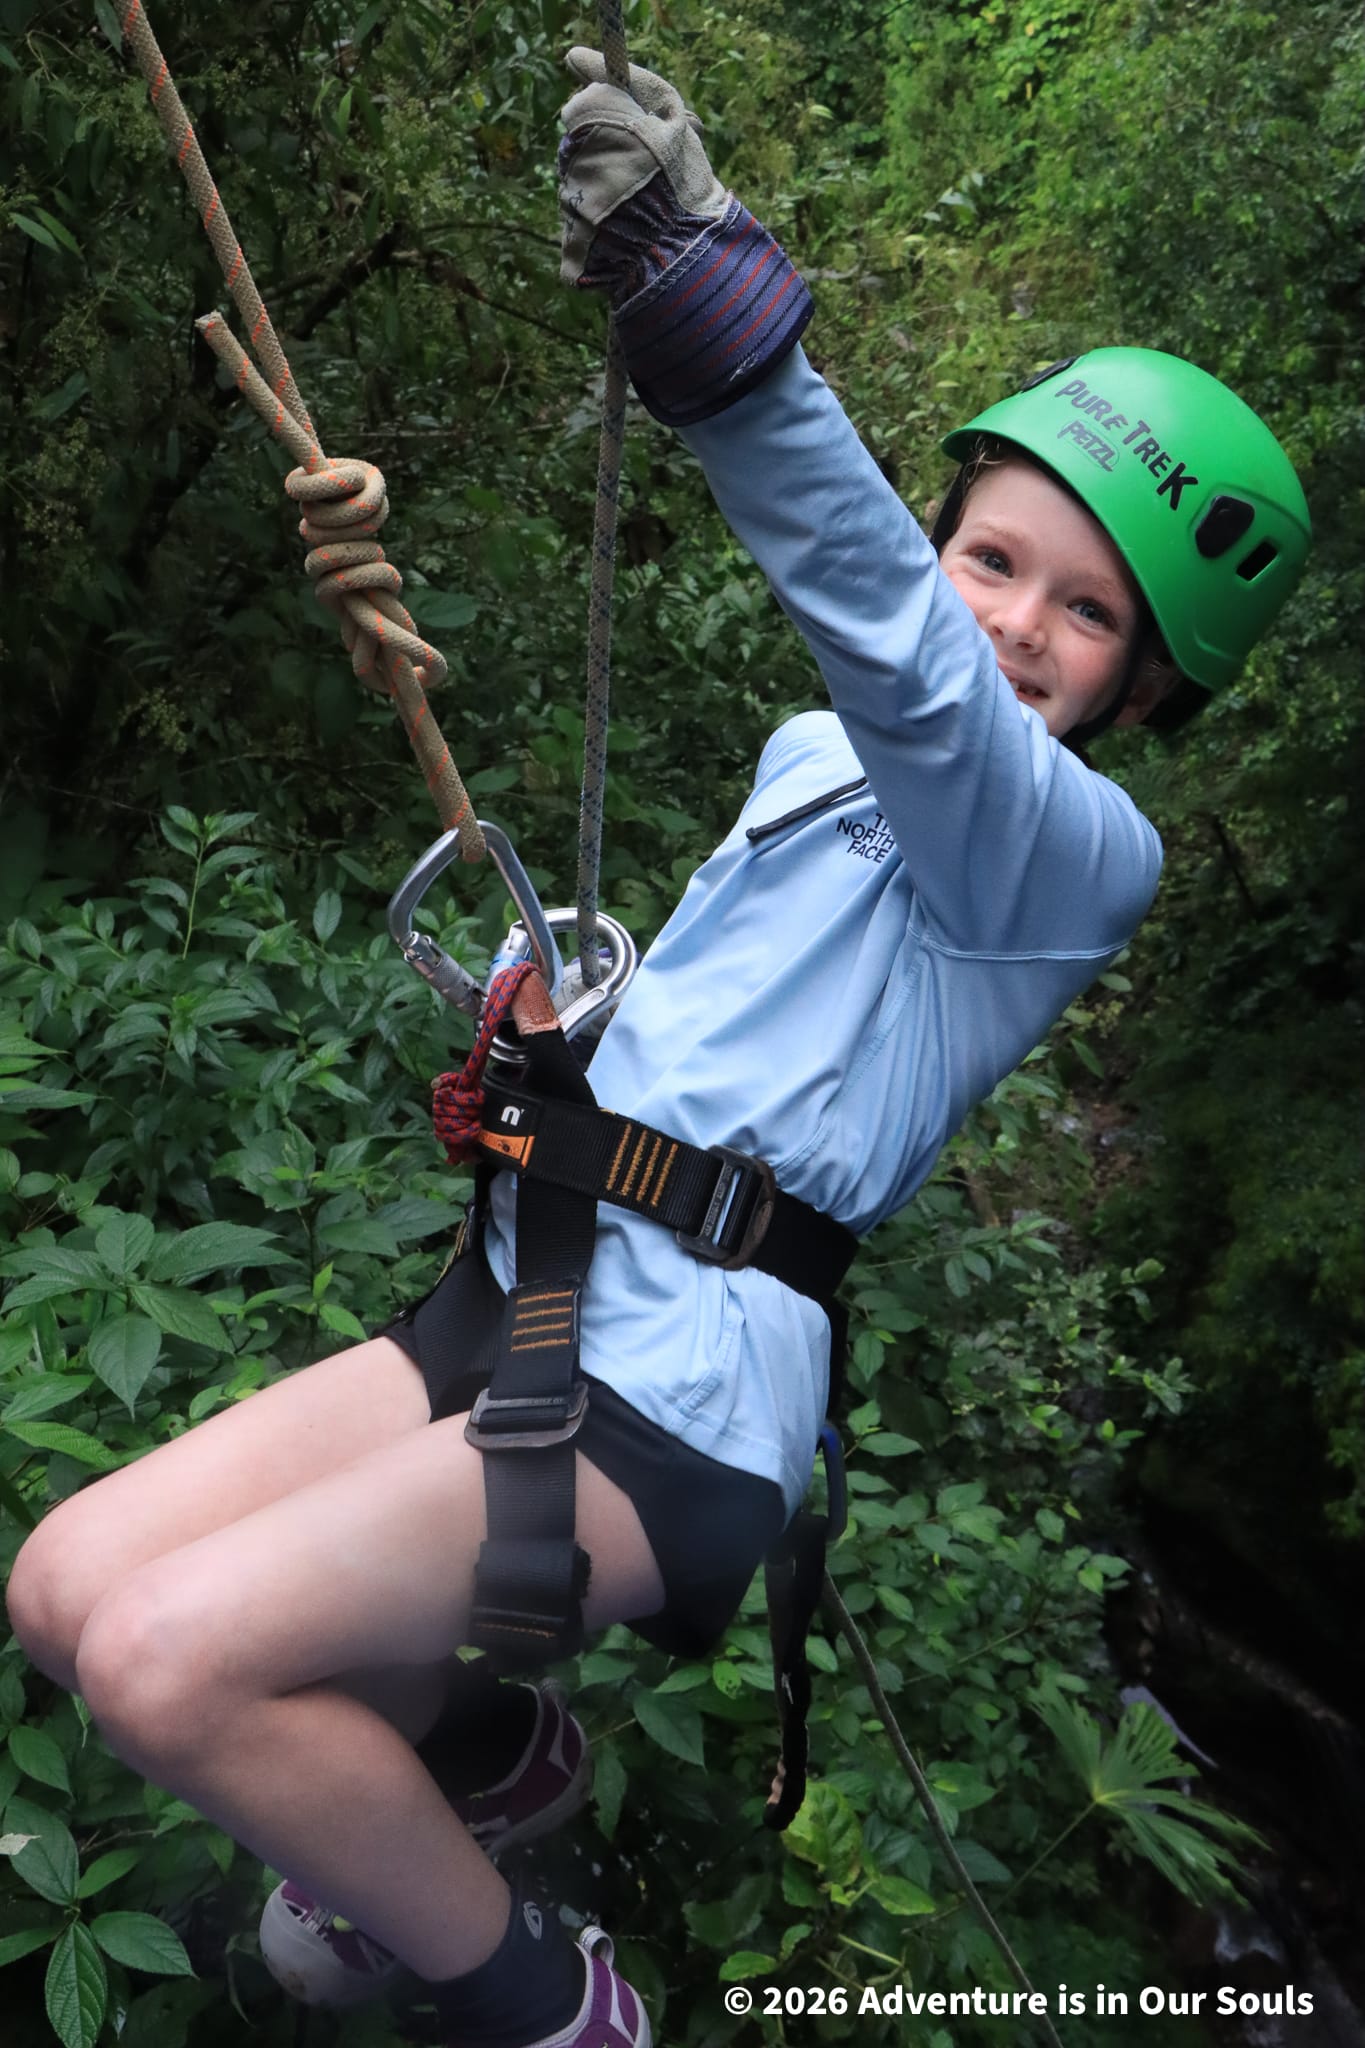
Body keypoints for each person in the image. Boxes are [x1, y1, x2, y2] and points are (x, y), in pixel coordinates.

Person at [5, 48, 1310, 2048]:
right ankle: (479, 1742)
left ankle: (548, 2006)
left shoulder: (1070, 852)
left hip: (685, 1392)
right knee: (68, 1585)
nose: (1012, 626)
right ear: (943, 529)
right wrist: (579, 1029)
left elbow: (894, 648)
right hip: (538, 1283)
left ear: (1140, 689)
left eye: (1087, 614)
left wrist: (704, 306)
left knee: (176, 1666)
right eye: (990, 557)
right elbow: (756, 980)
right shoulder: (811, 760)